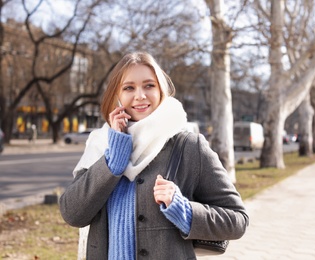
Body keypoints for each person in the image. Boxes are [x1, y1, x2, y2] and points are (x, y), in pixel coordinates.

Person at [59, 52, 249, 260]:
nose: (140, 95)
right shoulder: (100, 144)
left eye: (149, 85)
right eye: (129, 87)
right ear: (117, 95)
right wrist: (112, 162)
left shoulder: (188, 146)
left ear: (161, 91)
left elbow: (237, 220)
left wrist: (183, 210)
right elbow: (72, 214)